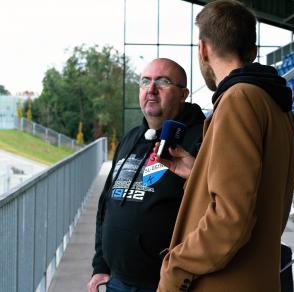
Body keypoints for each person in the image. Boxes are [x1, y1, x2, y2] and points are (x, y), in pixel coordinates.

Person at [156, 1, 294, 291]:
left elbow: (230, 219)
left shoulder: (238, 100)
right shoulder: (278, 106)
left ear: (203, 49)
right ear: (253, 50)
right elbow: (255, 194)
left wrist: (175, 268)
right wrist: (198, 172)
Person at [87, 58, 206, 292]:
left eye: (162, 82)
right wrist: (100, 264)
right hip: (117, 280)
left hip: (166, 284)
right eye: (145, 81)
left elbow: (218, 202)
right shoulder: (131, 137)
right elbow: (106, 204)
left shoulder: (202, 138)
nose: (151, 89)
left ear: (183, 94)